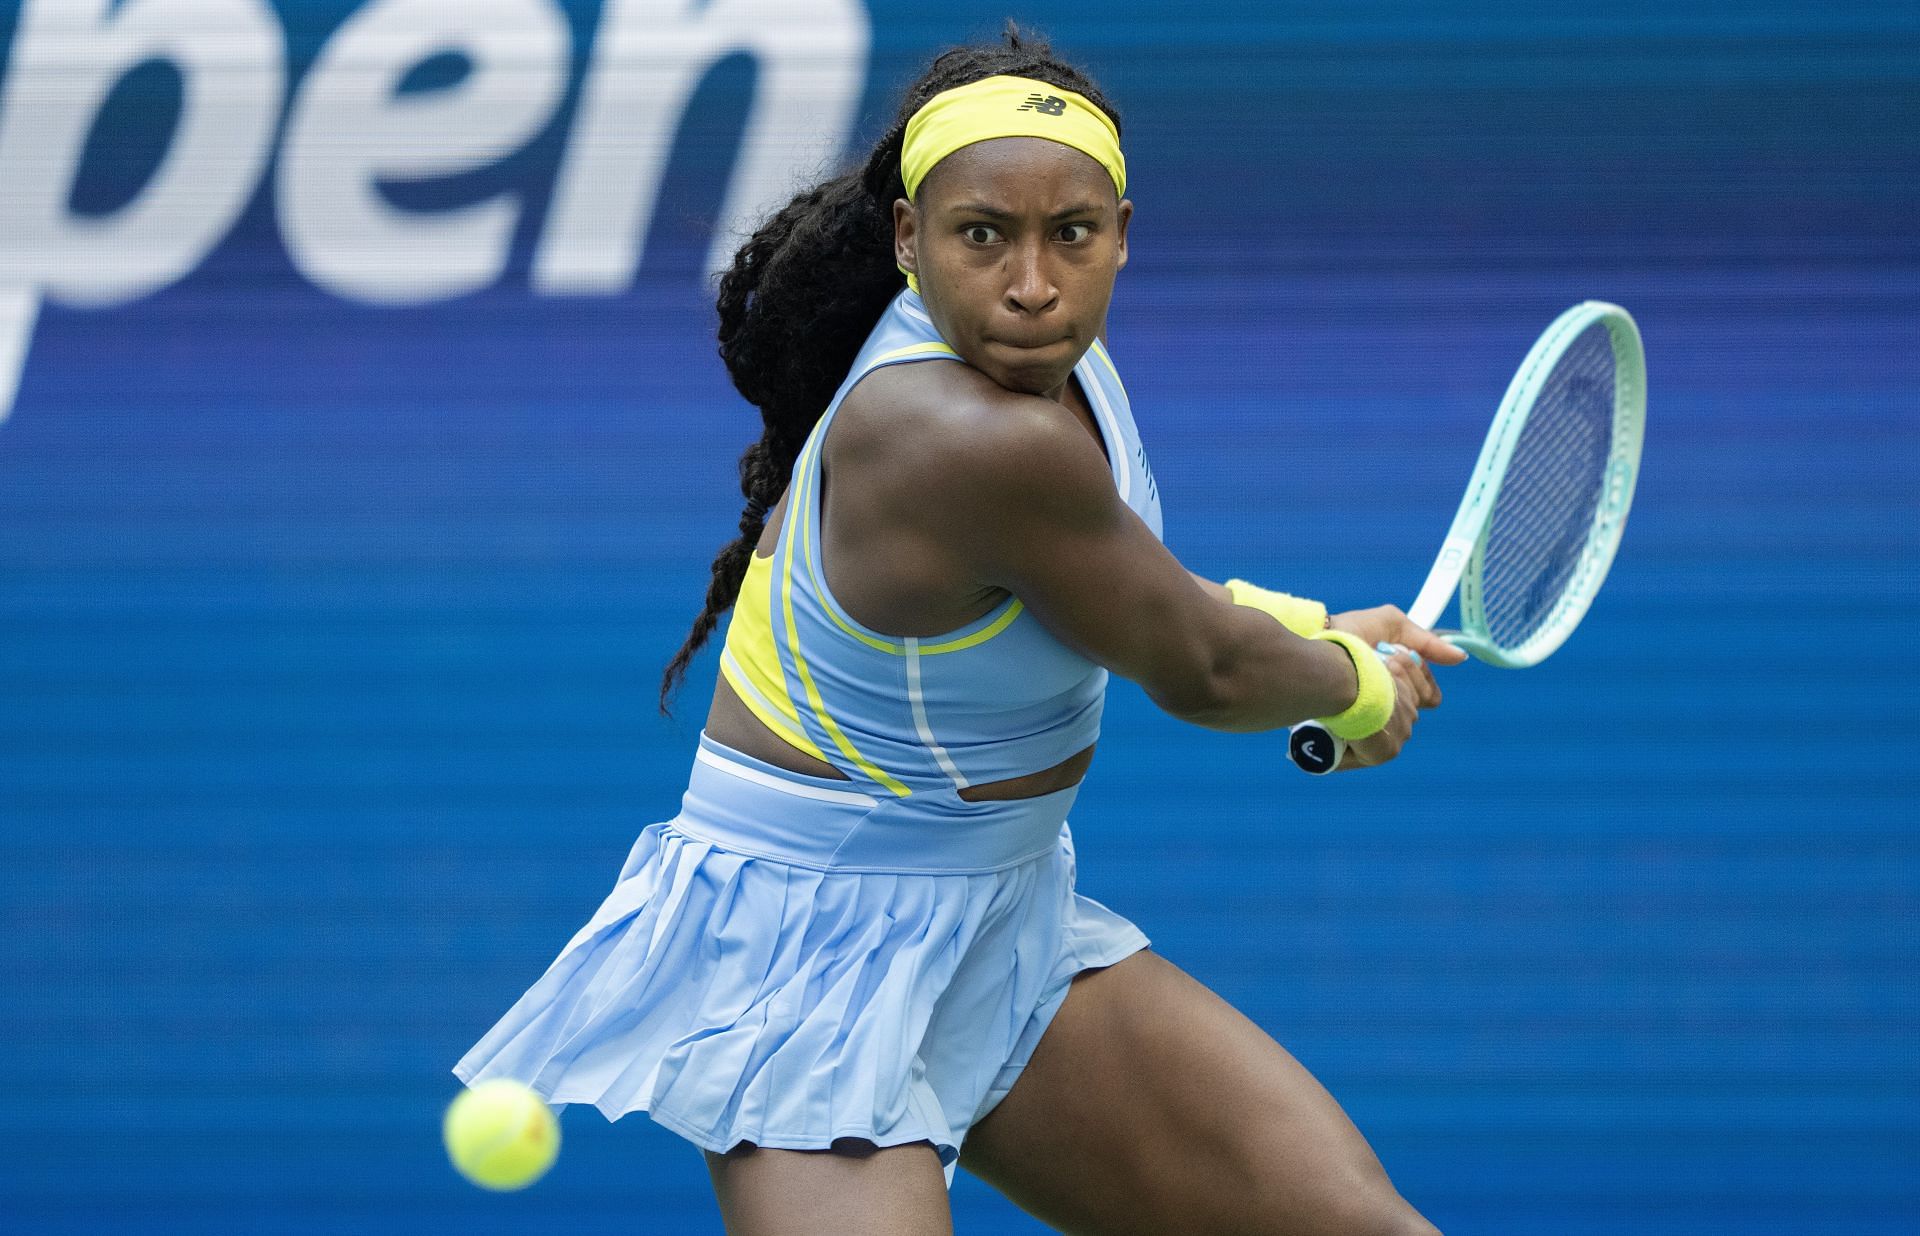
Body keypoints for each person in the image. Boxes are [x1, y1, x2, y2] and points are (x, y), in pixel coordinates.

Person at [454, 26, 1464, 1236]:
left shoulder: (1052, 374)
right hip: (807, 962)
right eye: (983, 234)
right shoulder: (967, 435)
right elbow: (1198, 667)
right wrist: (1348, 687)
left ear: (1122, 235)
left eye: (1071, 236)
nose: (1032, 282)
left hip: (1003, 918)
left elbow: (1132, 590)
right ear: (909, 240)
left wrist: (1311, 635)